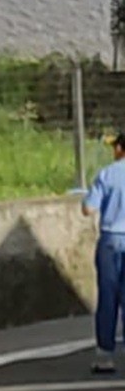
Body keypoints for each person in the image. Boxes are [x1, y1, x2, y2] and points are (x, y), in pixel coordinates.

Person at [83, 132, 125, 374]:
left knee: (108, 298)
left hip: (110, 240)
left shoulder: (107, 174)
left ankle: (105, 356)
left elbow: (88, 209)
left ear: (120, 148)